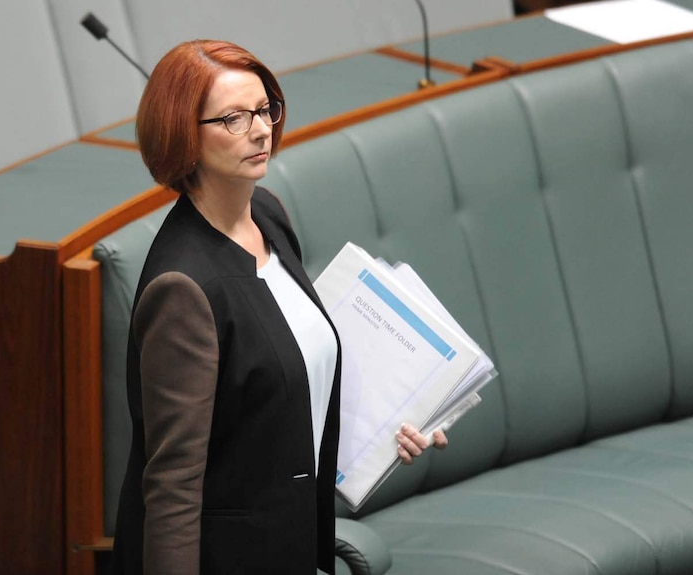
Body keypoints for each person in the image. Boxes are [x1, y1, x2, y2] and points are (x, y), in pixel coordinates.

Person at [111, 39, 448, 575]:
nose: (262, 129)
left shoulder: (266, 215)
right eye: (233, 118)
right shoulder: (183, 286)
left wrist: (385, 427)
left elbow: (284, 375)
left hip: (295, 542)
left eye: (266, 108)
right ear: (183, 136)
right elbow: (173, 489)